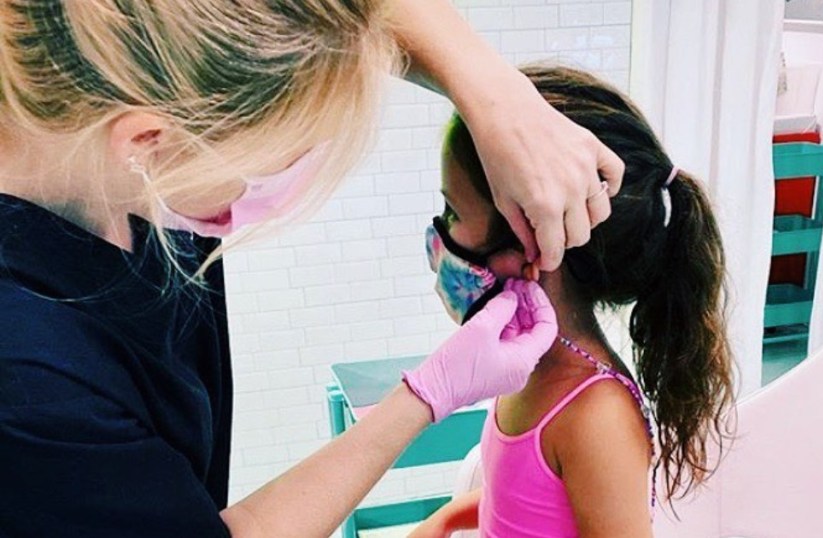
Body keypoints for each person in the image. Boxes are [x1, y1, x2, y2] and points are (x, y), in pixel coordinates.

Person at [0, 2, 625, 537]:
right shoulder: (32, 383)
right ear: (145, 141)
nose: (267, 185)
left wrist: (493, 94)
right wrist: (424, 398)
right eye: (268, 158)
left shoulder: (594, 413)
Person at [410, 66, 735, 538]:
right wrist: (446, 518)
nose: (440, 231)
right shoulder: (526, 363)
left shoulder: (595, 415)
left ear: (536, 242)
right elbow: (529, 499)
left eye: (454, 211)